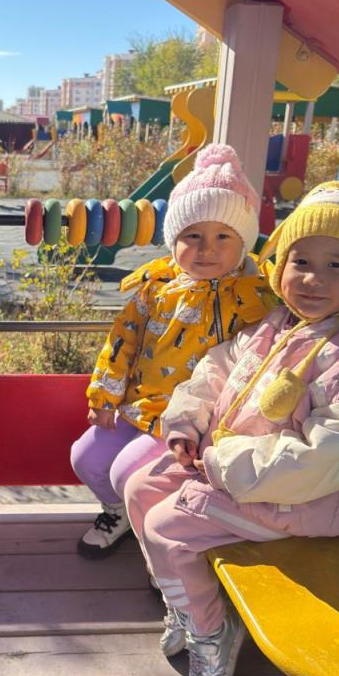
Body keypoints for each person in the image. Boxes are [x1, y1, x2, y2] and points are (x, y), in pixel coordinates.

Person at [124, 181, 339, 676]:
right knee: (140, 488)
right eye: (301, 261)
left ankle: (212, 629)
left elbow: (335, 452)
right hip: (241, 469)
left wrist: (222, 462)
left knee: (167, 529)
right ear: (281, 268)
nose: (313, 278)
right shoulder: (279, 324)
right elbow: (215, 369)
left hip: (313, 498)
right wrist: (187, 423)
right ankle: (185, 601)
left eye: (336, 265)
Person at [72, 144, 274, 558]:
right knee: (86, 457)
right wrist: (104, 395)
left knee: (127, 472)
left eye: (223, 236)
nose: (207, 249)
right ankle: (120, 513)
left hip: (195, 424)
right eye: (193, 236)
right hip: (140, 406)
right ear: (174, 239)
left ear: (243, 242)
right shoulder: (157, 288)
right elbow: (123, 340)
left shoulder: (255, 297)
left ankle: (158, 539)